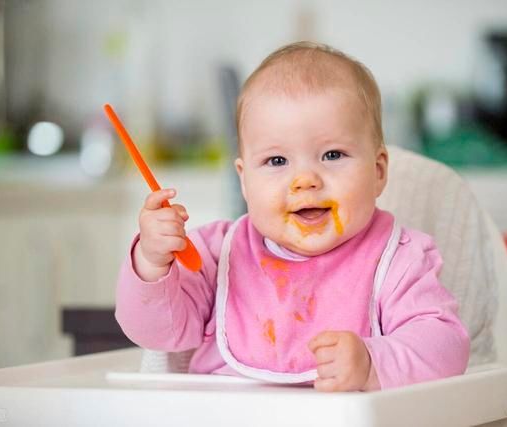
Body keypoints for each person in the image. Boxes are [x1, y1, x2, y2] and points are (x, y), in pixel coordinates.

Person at [115, 41, 470, 392]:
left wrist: (372, 362)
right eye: (277, 161)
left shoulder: (398, 260)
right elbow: (159, 333)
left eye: (332, 155)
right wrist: (151, 263)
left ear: (378, 171)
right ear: (244, 179)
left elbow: (446, 346)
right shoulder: (217, 254)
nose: (305, 181)